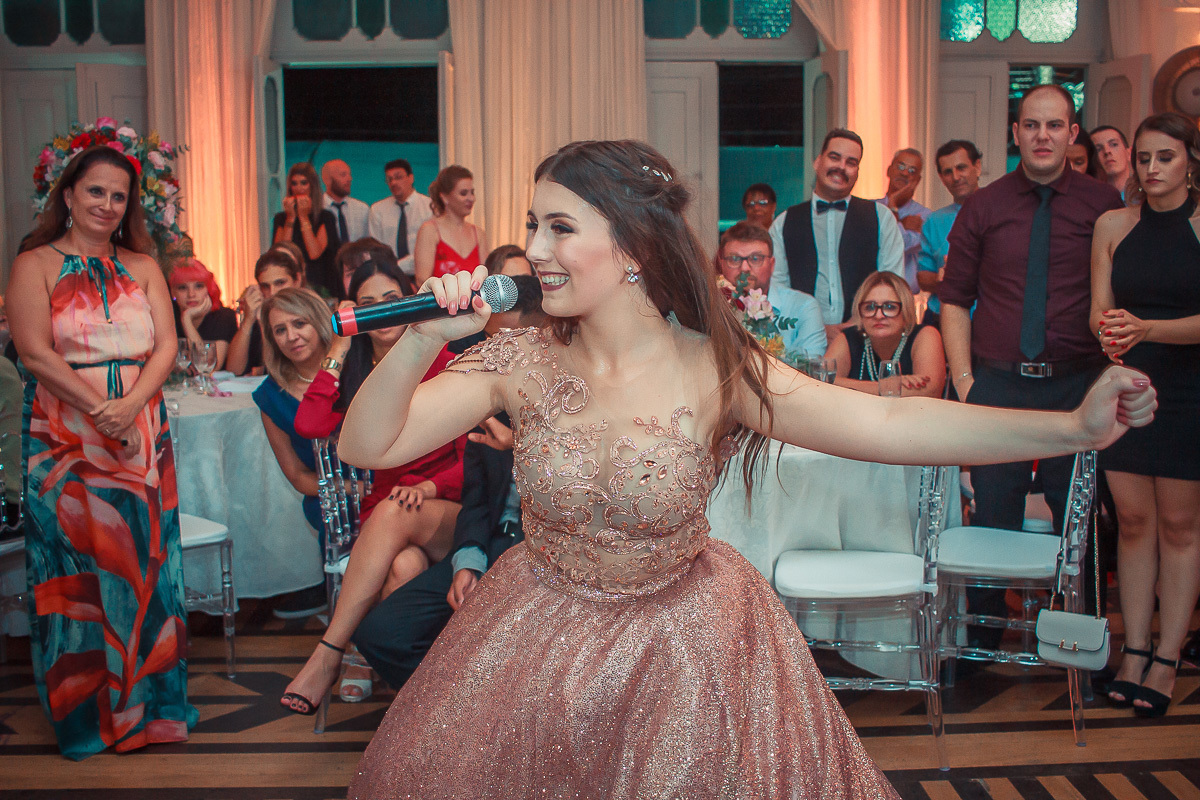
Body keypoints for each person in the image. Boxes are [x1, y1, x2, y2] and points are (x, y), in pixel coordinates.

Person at [338, 139, 1154, 799]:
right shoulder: (516, 354)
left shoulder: (715, 367)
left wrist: (1071, 427)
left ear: (629, 246)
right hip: (535, 633)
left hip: (684, 649)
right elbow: (367, 447)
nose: (534, 251)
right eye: (532, 225)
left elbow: (890, 419)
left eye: (558, 227)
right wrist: (420, 338)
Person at [8, 144, 196, 759]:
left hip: (139, 430)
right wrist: (99, 410)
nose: (107, 205)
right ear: (68, 194)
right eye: (96, 192)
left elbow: (166, 347)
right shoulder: (35, 264)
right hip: (65, 433)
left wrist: (128, 406)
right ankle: (90, 718)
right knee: (79, 570)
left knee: (144, 567)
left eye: (119, 196)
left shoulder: (142, 265)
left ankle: (149, 710)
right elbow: (35, 353)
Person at [941, 84, 1125, 654]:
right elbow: (954, 298)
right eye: (1031, 125)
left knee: (1079, 518)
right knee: (992, 514)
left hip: (1078, 383)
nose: (1041, 136)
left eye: (1054, 126)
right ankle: (987, 637)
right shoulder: (985, 206)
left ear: (1073, 135)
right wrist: (967, 382)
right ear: (1015, 133)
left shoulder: (1105, 206)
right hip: (998, 385)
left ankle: (1076, 642)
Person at [279, 259, 465, 712]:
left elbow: (473, 462)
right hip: (389, 516)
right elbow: (310, 423)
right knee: (402, 566)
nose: (382, 312)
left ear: (411, 301)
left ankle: (331, 651)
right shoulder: (359, 371)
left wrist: (428, 489)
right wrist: (340, 347)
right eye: (368, 305)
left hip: (448, 509)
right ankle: (413, 703)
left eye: (391, 301)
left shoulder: (445, 360)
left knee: (395, 513)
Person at [349, 276, 546, 693]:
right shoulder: (491, 379)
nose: (502, 353)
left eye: (511, 340)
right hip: (492, 542)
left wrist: (523, 445)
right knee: (382, 633)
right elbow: (360, 447)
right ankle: (465, 717)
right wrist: (423, 335)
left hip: (548, 558)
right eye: (492, 342)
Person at [1091, 112, 1200, 717]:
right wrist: (1113, 337)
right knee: (1132, 523)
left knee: (1181, 528)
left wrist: (1149, 327)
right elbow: (1098, 312)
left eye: (1166, 157)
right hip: (1127, 385)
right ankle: (1132, 649)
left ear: (1190, 160)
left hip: (1190, 391)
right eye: (1144, 159)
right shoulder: (1112, 224)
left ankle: (1167, 657)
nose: (1152, 169)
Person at [769, 128, 905, 343]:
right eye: (835, 157)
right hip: (801, 339)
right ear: (817, 162)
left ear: (858, 171)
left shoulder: (882, 217)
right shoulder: (784, 222)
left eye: (851, 162)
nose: (841, 167)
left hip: (867, 338)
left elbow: (892, 282)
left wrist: (855, 324)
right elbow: (777, 289)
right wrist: (817, 327)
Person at [252, 287, 334, 618]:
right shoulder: (270, 396)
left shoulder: (355, 367)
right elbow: (298, 476)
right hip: (328, 497)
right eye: (280, 330)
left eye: (299, 323)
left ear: (318, 322)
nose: (291, 337)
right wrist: (345, 490)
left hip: (388, 484)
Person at [715, 221, 826, 358]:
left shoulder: (803, 307)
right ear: (722, 264)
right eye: (734, 259)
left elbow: (810, 368)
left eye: (755, 258)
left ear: (772, 264)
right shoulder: (710, 306)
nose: (744, 268)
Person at [827, 271, 945, 398]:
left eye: (889, 307)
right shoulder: (848, 337)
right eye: (870, 307)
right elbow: (819, 381)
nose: (878, 315)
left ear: (905, 310)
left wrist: (841, 384)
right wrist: (888, 386)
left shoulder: (925, 334)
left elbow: (930, 391)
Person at [917, 140, 983, 330]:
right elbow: (923, 278)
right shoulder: (934, 221)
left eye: (961, 168)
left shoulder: (1000, 211)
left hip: (988, 319)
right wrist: (946, 279)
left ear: (977, 166)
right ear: (940, 177)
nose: (955, 177)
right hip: (940, 318)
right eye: (947, 172)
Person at [226, 243, 306, 376]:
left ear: (297, 280)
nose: (272, 293)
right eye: (265, 286)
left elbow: (284, 370)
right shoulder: (260, 313)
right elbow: (234, 370)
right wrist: (249, 319)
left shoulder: (310, 315)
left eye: (280, 283)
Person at [272, 162, 340, 297]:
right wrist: (291, 218)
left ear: (312, 186)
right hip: (289, 282)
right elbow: (281, 254)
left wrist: (303, 217)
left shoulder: (325, 217)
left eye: (304, 183)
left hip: (320, 284)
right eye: (294, 183)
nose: (299, 188)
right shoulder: (281, 218)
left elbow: (314, 253)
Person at [413, 164, 490, 284]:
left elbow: (486, 278)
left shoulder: (478, 233)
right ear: (444, 197)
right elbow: (422, 281)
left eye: (472, 192)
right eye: (463, 193)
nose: (471, 198)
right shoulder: (429, 230)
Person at [877, 148, 932, 293]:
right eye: (900, 166)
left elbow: (900, 244)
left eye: (912, 170)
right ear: (889, 170)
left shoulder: (925, 216)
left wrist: (893, 206)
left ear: (918, 180)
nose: (905, 173)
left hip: (905, 296)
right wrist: (901, 223)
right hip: (870, 293)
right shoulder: (870, 208)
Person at [367, 159, 433, 277]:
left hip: (424, 275)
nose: (393, 183)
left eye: (398, 177)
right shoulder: (378, 210)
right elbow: (376, 249)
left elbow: (431, 249)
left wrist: (398, 266)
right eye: (389, 179)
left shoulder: (430, 207)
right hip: (389, 276)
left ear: (411, 178)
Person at [169, 258, 237, 371]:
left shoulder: (224, 316)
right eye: (182, 287)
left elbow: (209, 367)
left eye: (198, 286)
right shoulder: (168, 316)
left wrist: (187, 321)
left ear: (209, 288)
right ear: (173, 292)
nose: (191, 294)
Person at [322, 159, 369, 244]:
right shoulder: (317, 208)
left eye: (349, 174)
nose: (349, 179)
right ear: (327, 180)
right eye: (343, 175)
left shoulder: (362, 209)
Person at [1093, 125, 1133, 199]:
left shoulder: (1144, 196)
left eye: (1114, 144)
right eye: (1098, 149)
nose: (1107, 151)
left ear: (1129, 153)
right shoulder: (1088, 198)